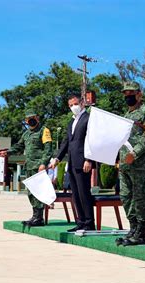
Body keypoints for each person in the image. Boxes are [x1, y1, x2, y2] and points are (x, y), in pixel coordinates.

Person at [116, 81, 145, 246]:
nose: (128, 96)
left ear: (139, 94)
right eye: (125, 93)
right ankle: (132, 228)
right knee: (126, 197)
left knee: (141, 198)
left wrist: (135, 153)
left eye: (131, 93)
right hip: (125, 166)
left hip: (141, 165)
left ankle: (141, 232)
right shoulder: (125, 116)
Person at [0, 110, 53, 227]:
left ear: (37, 118)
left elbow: (48, 149)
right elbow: (19, 146)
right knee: (31, 192)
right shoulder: (26, 134)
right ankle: (35, 216)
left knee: (38, 192)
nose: (31, 120)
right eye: (28, 119)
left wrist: (43, 163)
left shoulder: (44, 130)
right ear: (26, 121)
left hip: (38, 167)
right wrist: (7, 152)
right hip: (29, 166)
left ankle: (39, 218)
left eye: (33, 117)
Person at [50, 94, 95, 232]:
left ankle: (89, 223)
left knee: (84, 193)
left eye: (75, 104)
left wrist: (89, 159)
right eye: (70, 105)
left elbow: (92, 140)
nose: (73, 107)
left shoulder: (89, 118)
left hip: (83, 162)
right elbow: (66, 142)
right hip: (72, 162)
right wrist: (57, 158)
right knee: (75, 194)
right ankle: (80, 221)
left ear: (82, 103)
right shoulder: (71, 122)